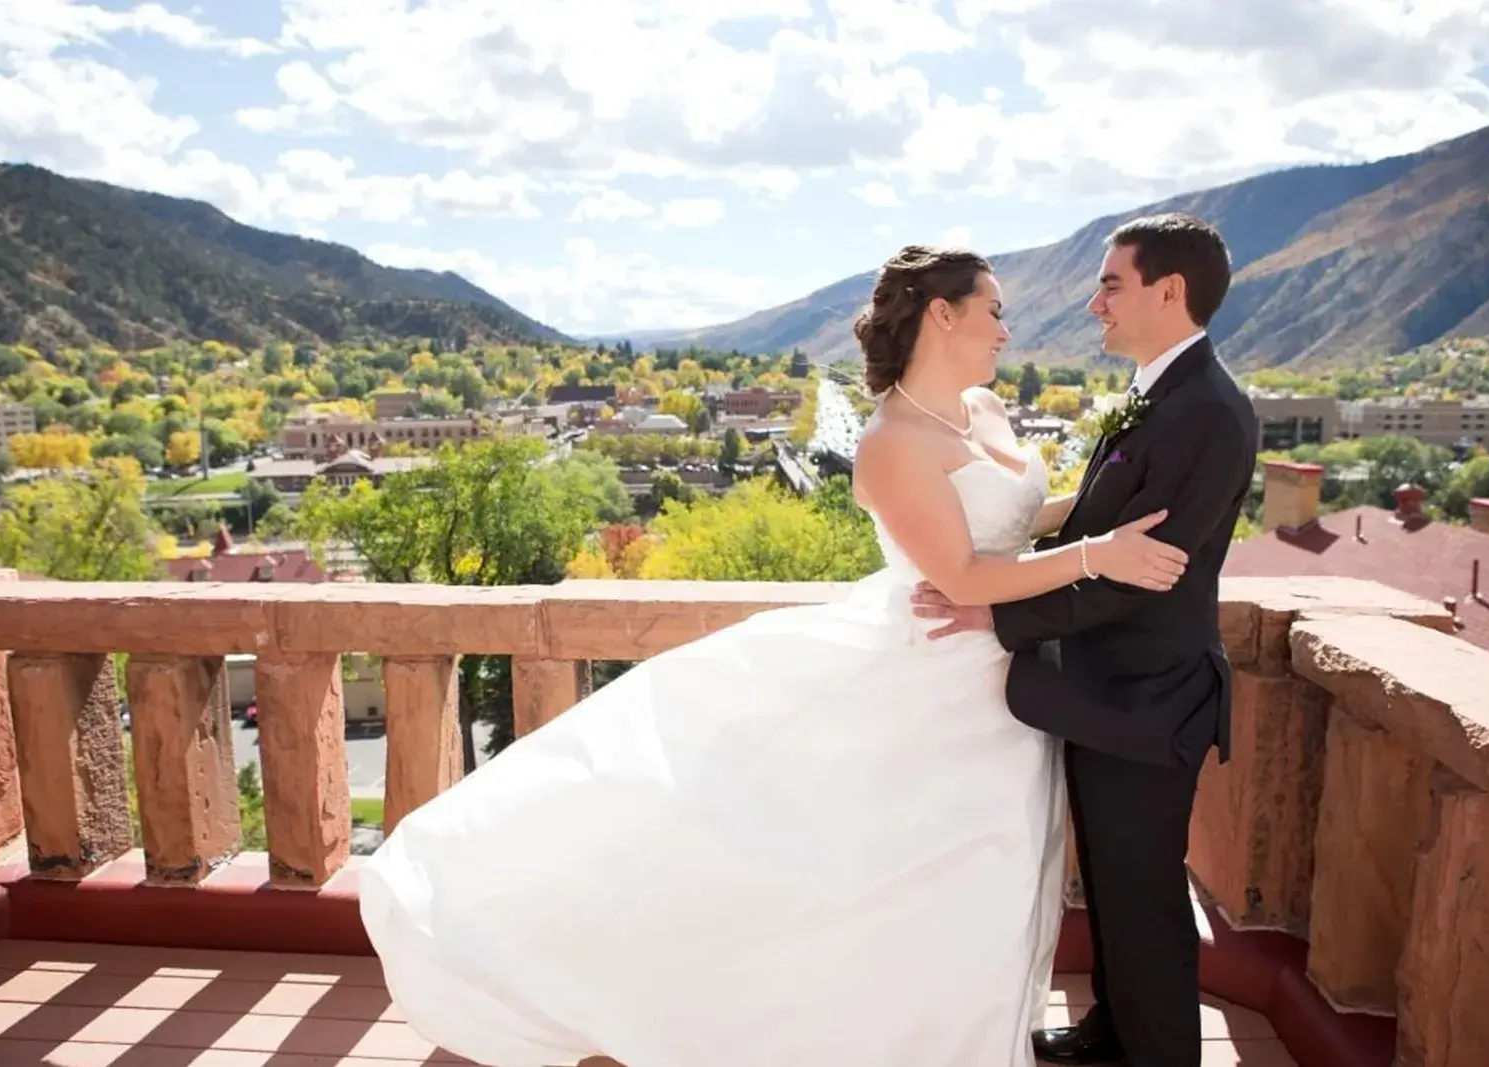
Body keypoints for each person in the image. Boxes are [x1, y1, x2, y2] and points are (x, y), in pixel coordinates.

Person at [359, 244, 1189, 1067]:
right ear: (943, 314)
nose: (1008, 328)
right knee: (904, 875)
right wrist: (1096, 556)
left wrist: (1106, 513)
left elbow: (1010, 518)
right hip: (929, 677)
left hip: (1006, 684)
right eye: (995, 310)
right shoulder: (891, 443)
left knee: (995, 880)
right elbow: (962, 574)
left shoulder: (987, 412)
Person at [913, 214, 1258, 1067]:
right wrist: (992, 542)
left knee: (1143, 900)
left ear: (1169, 292)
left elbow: (1141, 571)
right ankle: (1116, 1030)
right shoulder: (1160, 393)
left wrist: (994, 613)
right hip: (1108, 694)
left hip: (1152, 699)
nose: (1094, 300)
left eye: (1112, 283)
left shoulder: (1209, 412)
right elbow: (1103, 525)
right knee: (1108, 884)